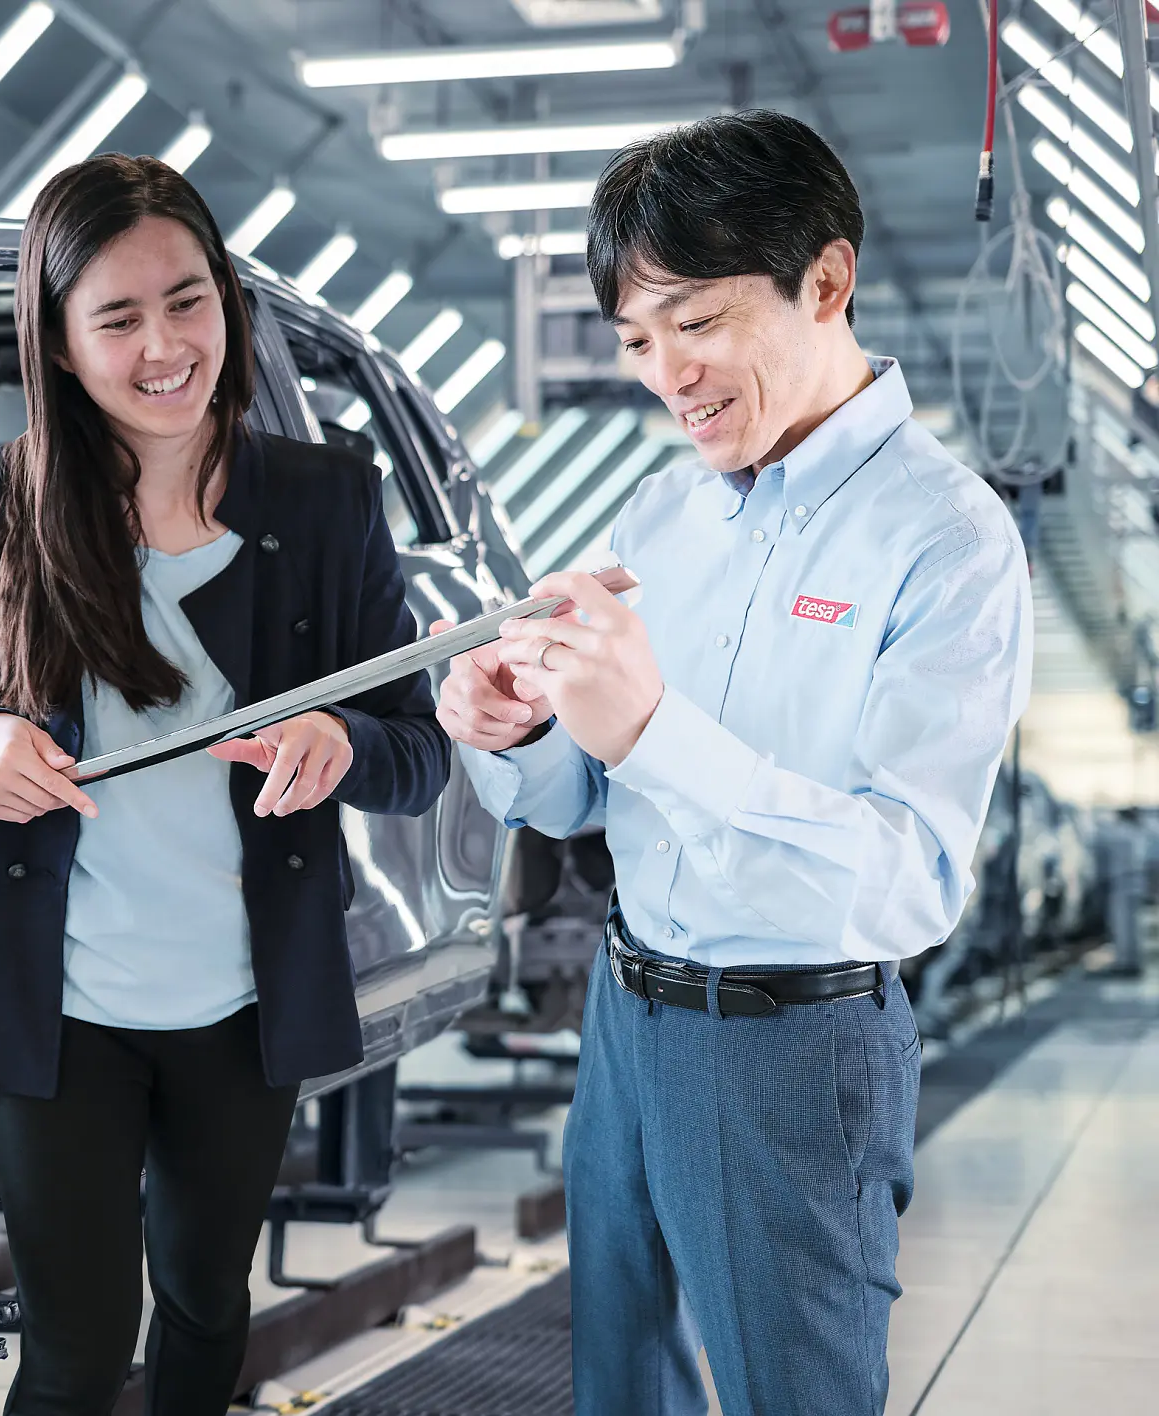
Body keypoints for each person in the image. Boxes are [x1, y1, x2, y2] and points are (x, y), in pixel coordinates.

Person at [434, 112, 1032, 1415]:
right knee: (618, 1388)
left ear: (826, 282)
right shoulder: (665, 515)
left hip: (793, 1040)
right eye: (640, 342)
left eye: (695, 324)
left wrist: (656, 730)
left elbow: (906, 878)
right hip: (628, 1015)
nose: (668, 376)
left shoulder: (945, 539)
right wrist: (522, 732)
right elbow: (591, 798)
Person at [0, 153, 449, 1416]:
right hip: (64, 1008)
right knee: (76, 1355)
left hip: (242, 1010)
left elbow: (418, 757)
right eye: (118, 317)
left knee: (206, 1308)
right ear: (58, 339)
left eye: (187, 300)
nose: (164, 346)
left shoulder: (323, 503)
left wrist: (343, 744)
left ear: (228, 303)